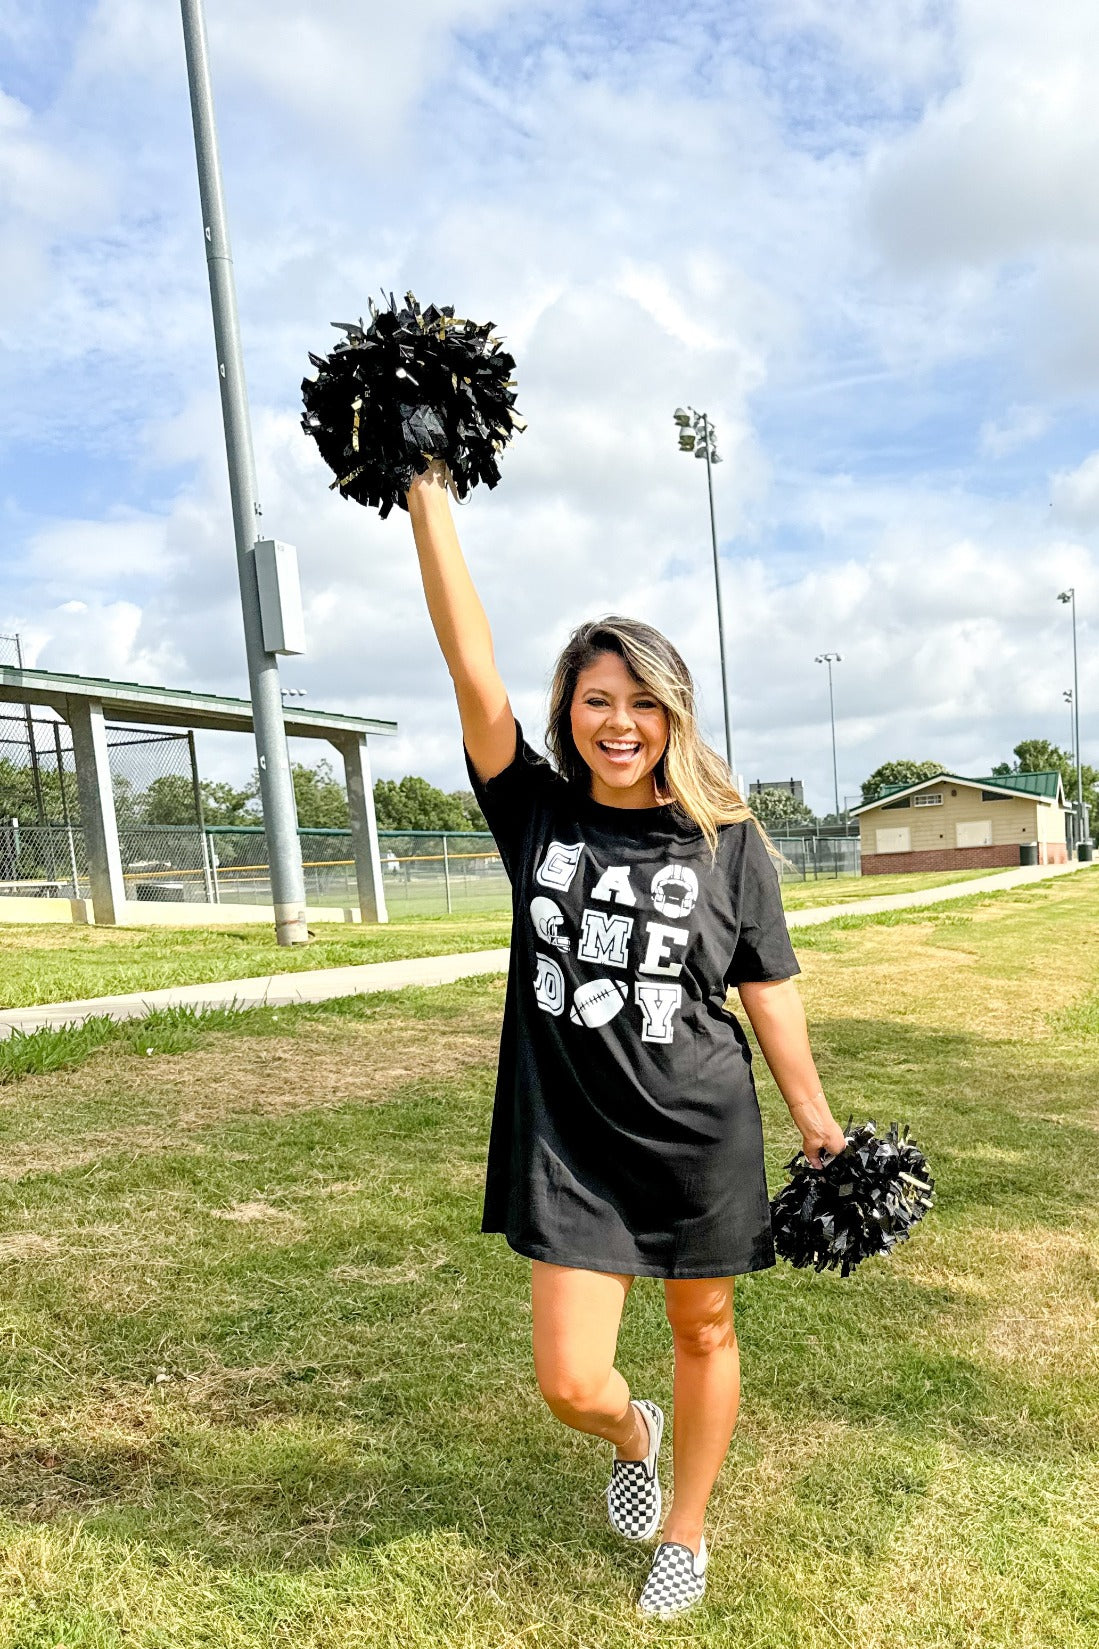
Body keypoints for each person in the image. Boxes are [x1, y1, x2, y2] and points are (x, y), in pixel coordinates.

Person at [405, 461, 846, 1619]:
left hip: (699, 1126)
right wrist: (424, 490)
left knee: (703, 1326)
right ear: (569, 713)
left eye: (643, 703)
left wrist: (813, 1121)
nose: (620, 724)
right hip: (572, 1141)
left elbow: (767, 985)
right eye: (598, 701)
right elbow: (469, 666)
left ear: (673, 714)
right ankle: (630, 1430)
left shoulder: (726, 838)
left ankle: (686, 1530)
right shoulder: (533, 808)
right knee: (568, 1377)